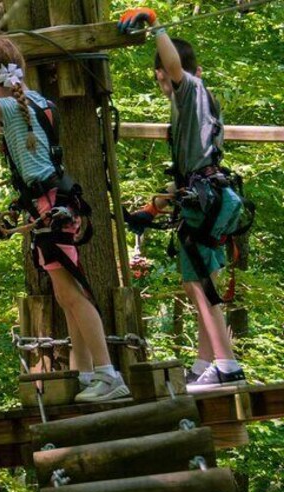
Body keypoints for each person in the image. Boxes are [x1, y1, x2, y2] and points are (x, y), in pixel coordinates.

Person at [0, 37, 129, 403]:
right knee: (66, 293)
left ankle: (108, 374)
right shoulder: (36, 103)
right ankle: (88, 373)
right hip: (57, 204)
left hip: (50, 207)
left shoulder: (11, 107)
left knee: (75, 293)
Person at [119, 8, 246, 390]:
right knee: (199, 281)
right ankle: (206, 363)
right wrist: (152, 207)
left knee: (201, 285)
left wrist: (155, 25)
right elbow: (193, 172)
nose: (163, 76)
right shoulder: (194, 109)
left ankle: (227, 365)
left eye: (163, 71)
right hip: (206, 196)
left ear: (164, 72)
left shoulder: (189, 90)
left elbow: (174, 64)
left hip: (206, 201)